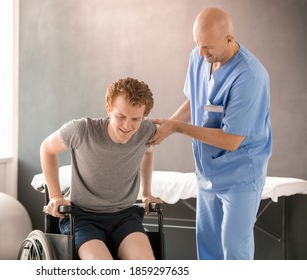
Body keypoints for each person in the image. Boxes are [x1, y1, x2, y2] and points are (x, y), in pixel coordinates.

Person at [148, 7, 272, 260]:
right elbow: (195, 101)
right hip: (207, 170)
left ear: (229, 38)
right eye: (198, 45)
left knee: (234, 248)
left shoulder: (249, 76)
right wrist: (167, 125)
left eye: (208, 47)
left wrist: (177, 128)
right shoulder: (199, 57)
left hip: (241, 173)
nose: (201, 53)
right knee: (208, 248)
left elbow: (231, 140)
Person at [40, 77, 162, 260]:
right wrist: (56, 195)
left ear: (143, 117)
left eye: (135, 119)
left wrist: (146, 193)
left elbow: (148, 152)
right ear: (109, 108)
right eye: (120, 116)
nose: (127, 125)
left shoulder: (147, 131)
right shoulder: (82, 130)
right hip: (83, 217)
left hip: (125, 216)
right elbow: (46, 149)